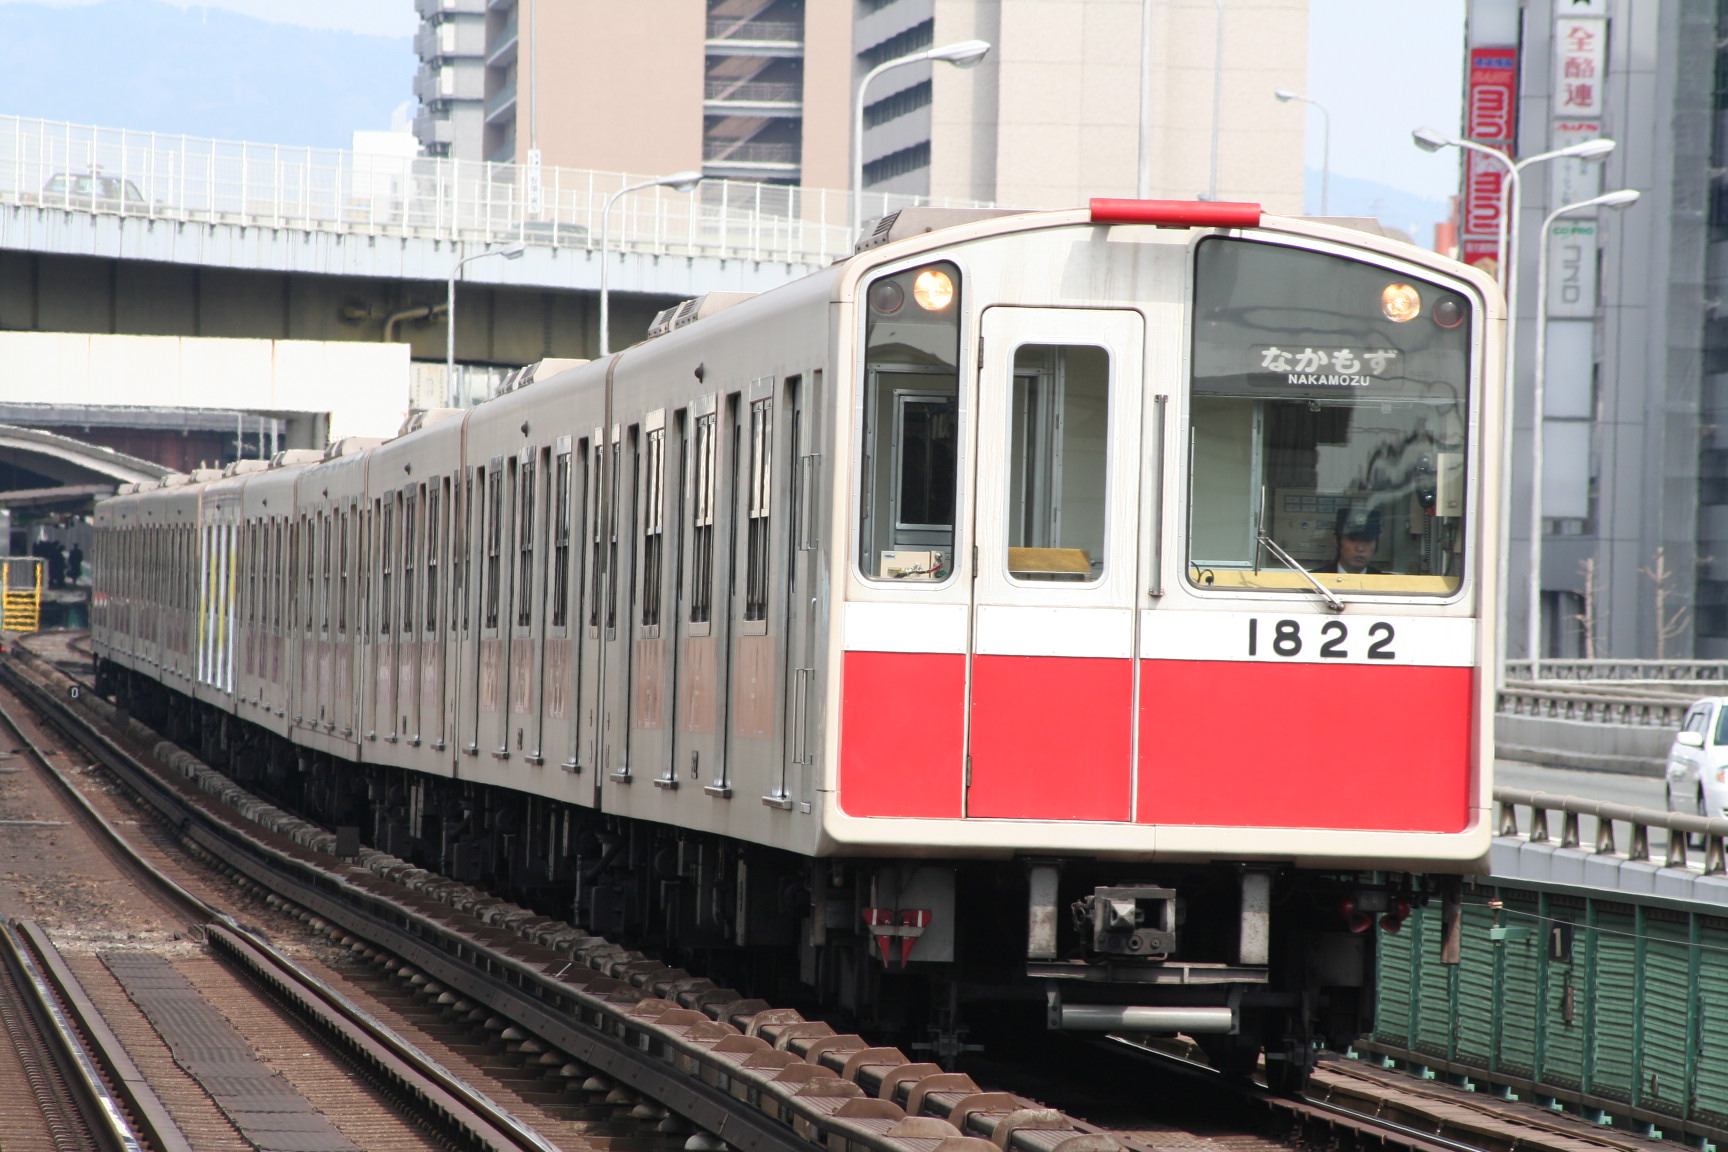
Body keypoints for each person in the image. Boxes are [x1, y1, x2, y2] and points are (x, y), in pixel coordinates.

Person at [1316, 507, 1384, 575]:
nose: (1360, 548)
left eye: (1368, 540)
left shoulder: (1387, 582)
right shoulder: (1314, 580)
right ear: (1336, 541)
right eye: (1353, 539)